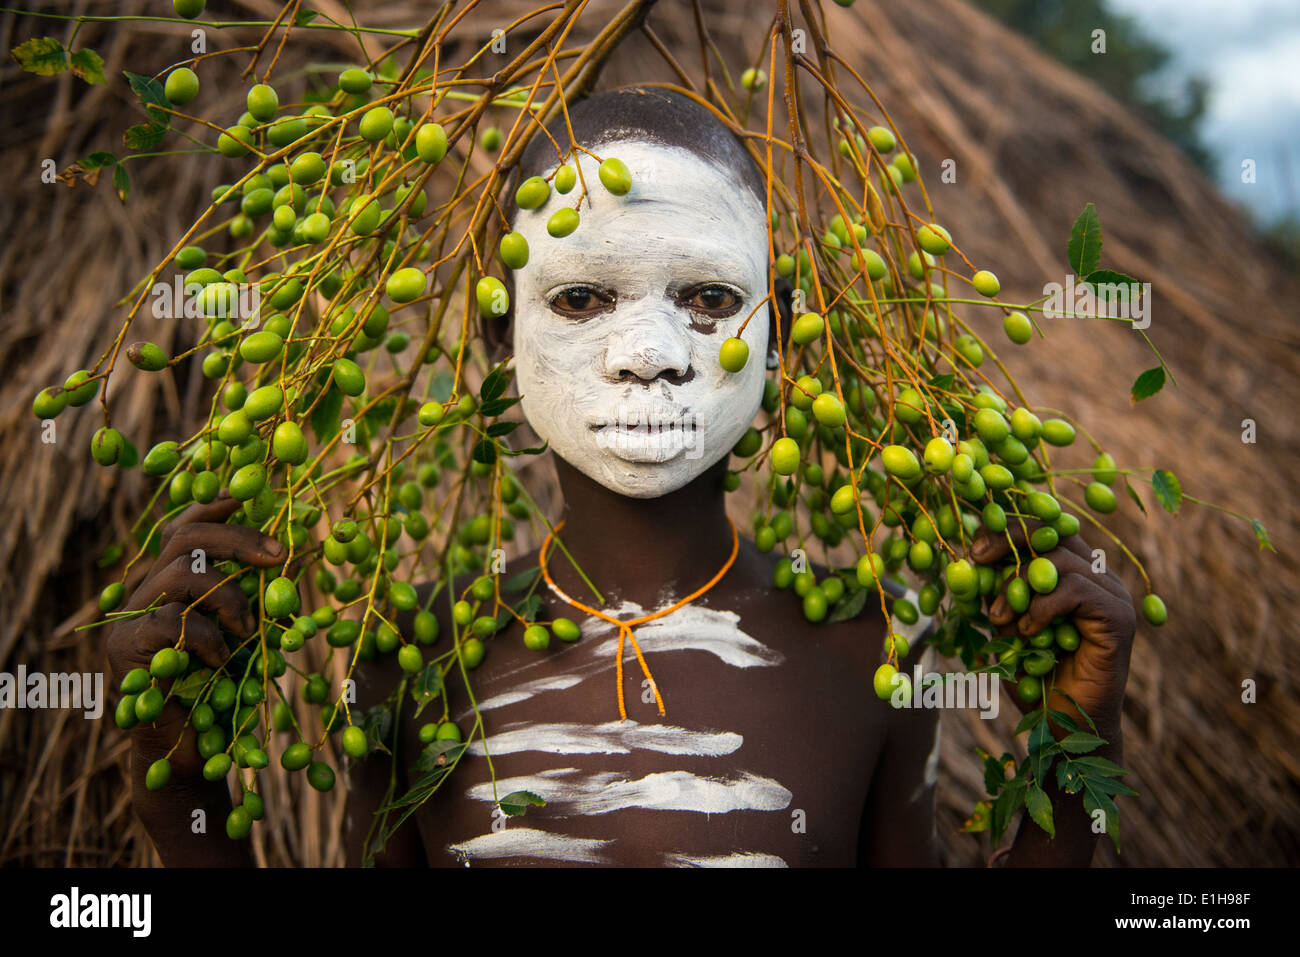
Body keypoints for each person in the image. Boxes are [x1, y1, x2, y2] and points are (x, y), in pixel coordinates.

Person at [107, 87, 1137, 868]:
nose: (648, 351)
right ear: (496, 335)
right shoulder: (415, 661)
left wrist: (1075, 740)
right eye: (582, 299)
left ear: (780, 330)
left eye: (705, 296)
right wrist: (179, 796)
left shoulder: (873, 648)